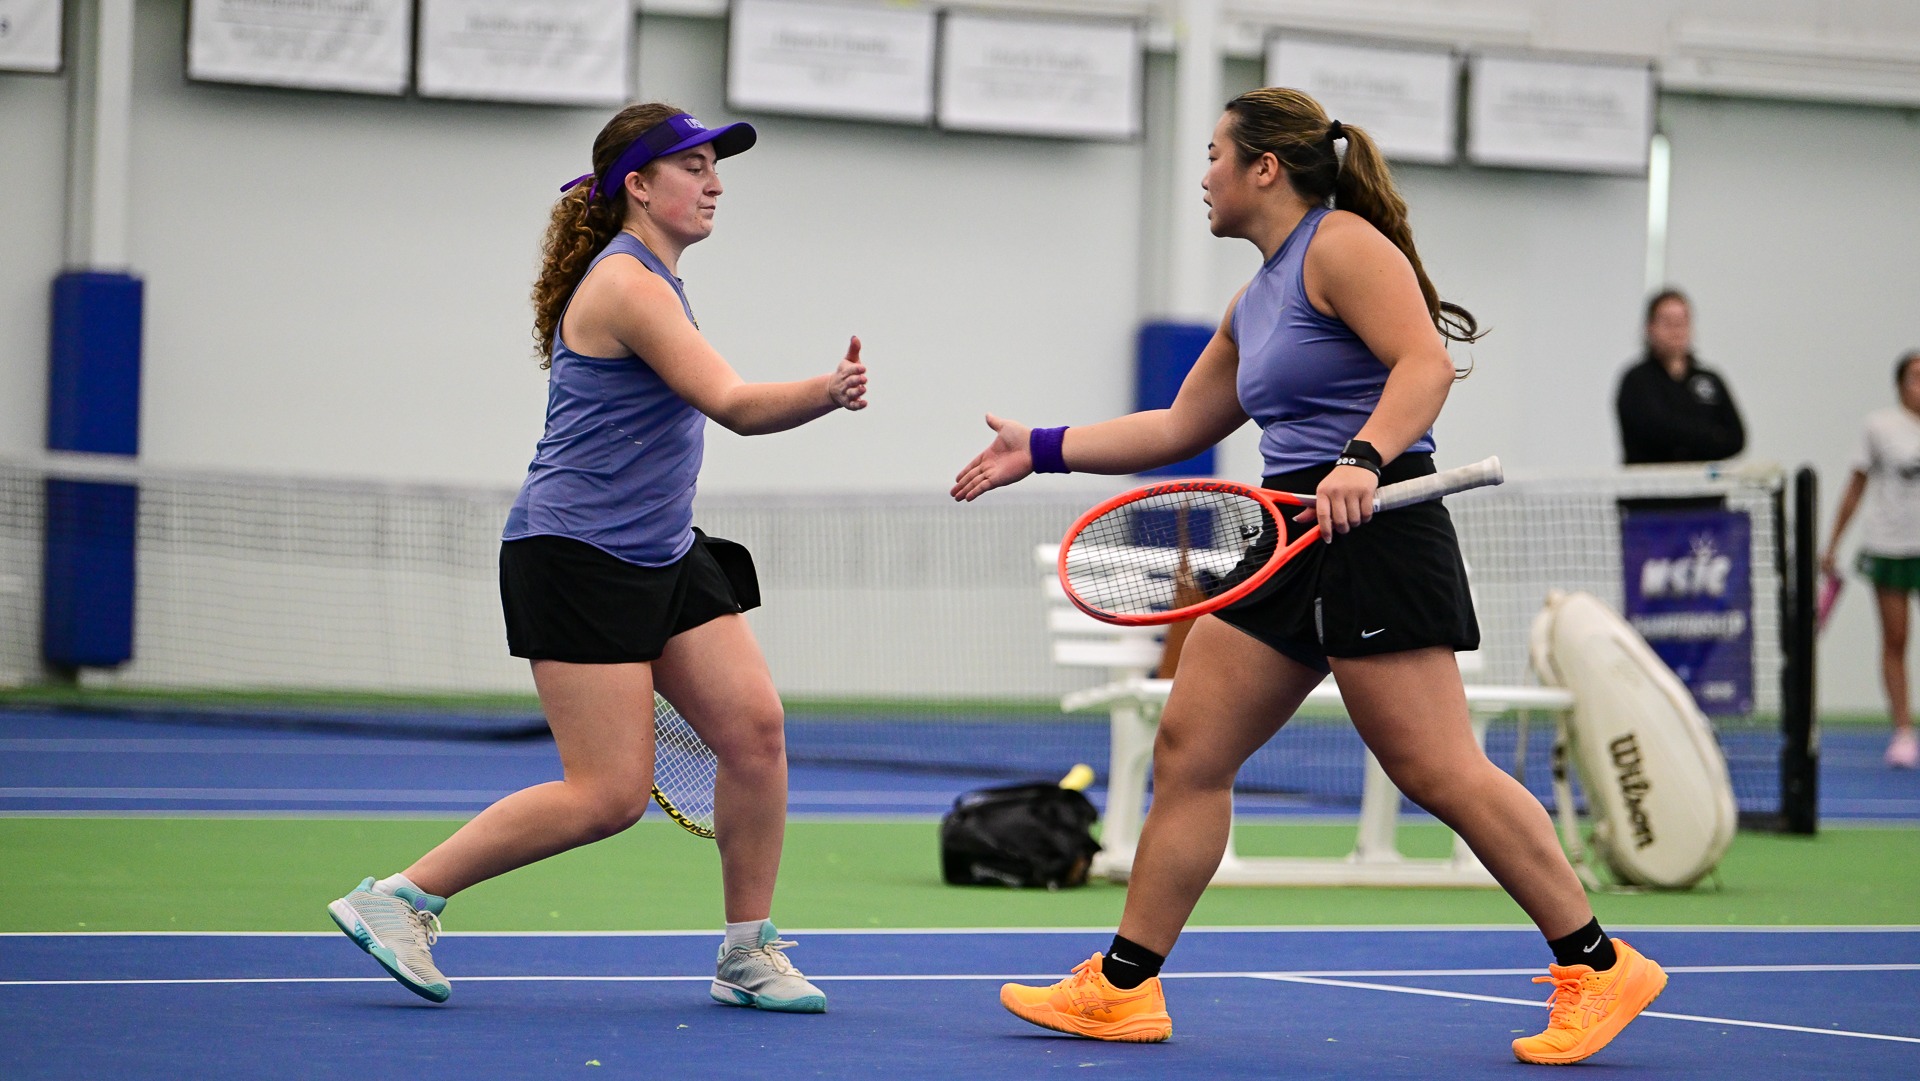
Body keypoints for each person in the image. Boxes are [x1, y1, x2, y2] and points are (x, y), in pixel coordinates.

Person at [952, 88, 1667, 1066]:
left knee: (1436, 769)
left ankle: (1596, 962)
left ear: (1264, 169)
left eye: (1213, 155)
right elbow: (1176, 427)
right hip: (1287, 529)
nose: (1201, 175)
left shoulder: (1342, 246)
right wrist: (1039, 446)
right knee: (1190, 750)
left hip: (1377, 521)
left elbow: (1423, 363)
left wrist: (1364, 458)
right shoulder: (1256, 297)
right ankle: (1123, 987)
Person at [327, 102, 868, 1011]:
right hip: (576, 556)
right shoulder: (627, 285)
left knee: (755, 732)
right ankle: (401, 899)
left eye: (715, 166)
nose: (715, 183)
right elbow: (730, 402)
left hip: (662, 549)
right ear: (639, 185)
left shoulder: (654, 277)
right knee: (609, 793)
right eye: (693, 166)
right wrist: (828, 389)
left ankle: (747, 951)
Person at [1821, 350, 1920, 769]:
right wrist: (1833, 544)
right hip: (1890, 547)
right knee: (1895, 640)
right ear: (1900, 384)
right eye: (1915, 377)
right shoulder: (1879, 427)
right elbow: (1856, 486)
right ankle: (1902, 731)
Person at [1615, 289, 1746, 464]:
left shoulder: (1709, 380)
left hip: (1702, 487)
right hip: (1653, 486)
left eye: (1682, 321)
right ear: (1650, 328)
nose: (1676, 329)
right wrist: (1708, 435)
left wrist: (1689, 437)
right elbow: (1654, 430)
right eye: (1668, 322)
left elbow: (1735, 439)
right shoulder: (1637, 380)